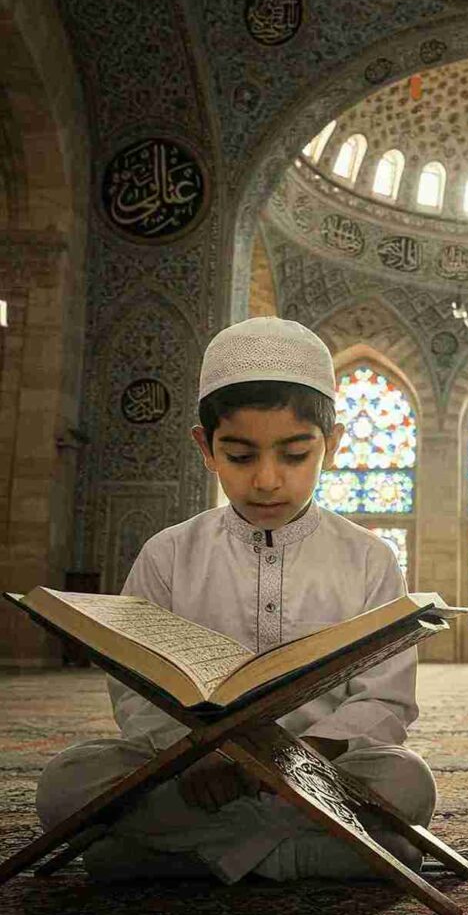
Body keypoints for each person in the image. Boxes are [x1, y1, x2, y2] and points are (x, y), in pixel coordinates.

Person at [35, 317, 435, 883]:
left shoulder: (369, 558)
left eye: (295, 455)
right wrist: (198, 754)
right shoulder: (168, 554)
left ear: (334, 445)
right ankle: (308, 857)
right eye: (242, 457)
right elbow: (135, 691)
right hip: (195, 772)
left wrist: (302, 757)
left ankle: (181, 859)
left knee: (407, 782)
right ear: (206, 447)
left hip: (320, 773)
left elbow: (386, 702)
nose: (268, 480)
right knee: (67, 781)